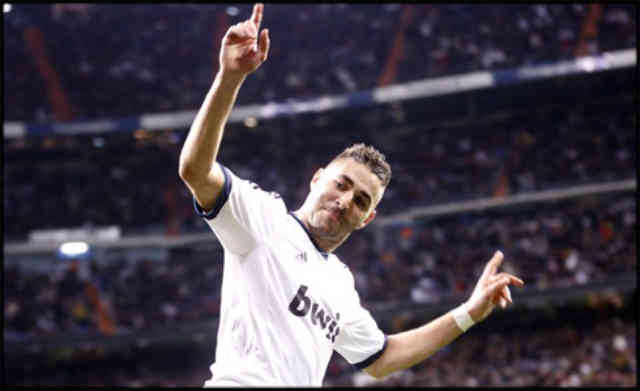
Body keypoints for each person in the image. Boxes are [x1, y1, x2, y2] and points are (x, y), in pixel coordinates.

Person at [178, 4, 524, 387]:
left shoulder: (340, 284)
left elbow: (381, 358)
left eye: (361, 200)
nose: (345, 201)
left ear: (367, 219)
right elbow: (195, 170)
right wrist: (230, 78)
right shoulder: (263, 218)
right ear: (317, 178)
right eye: (342, 184)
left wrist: (469, 313)